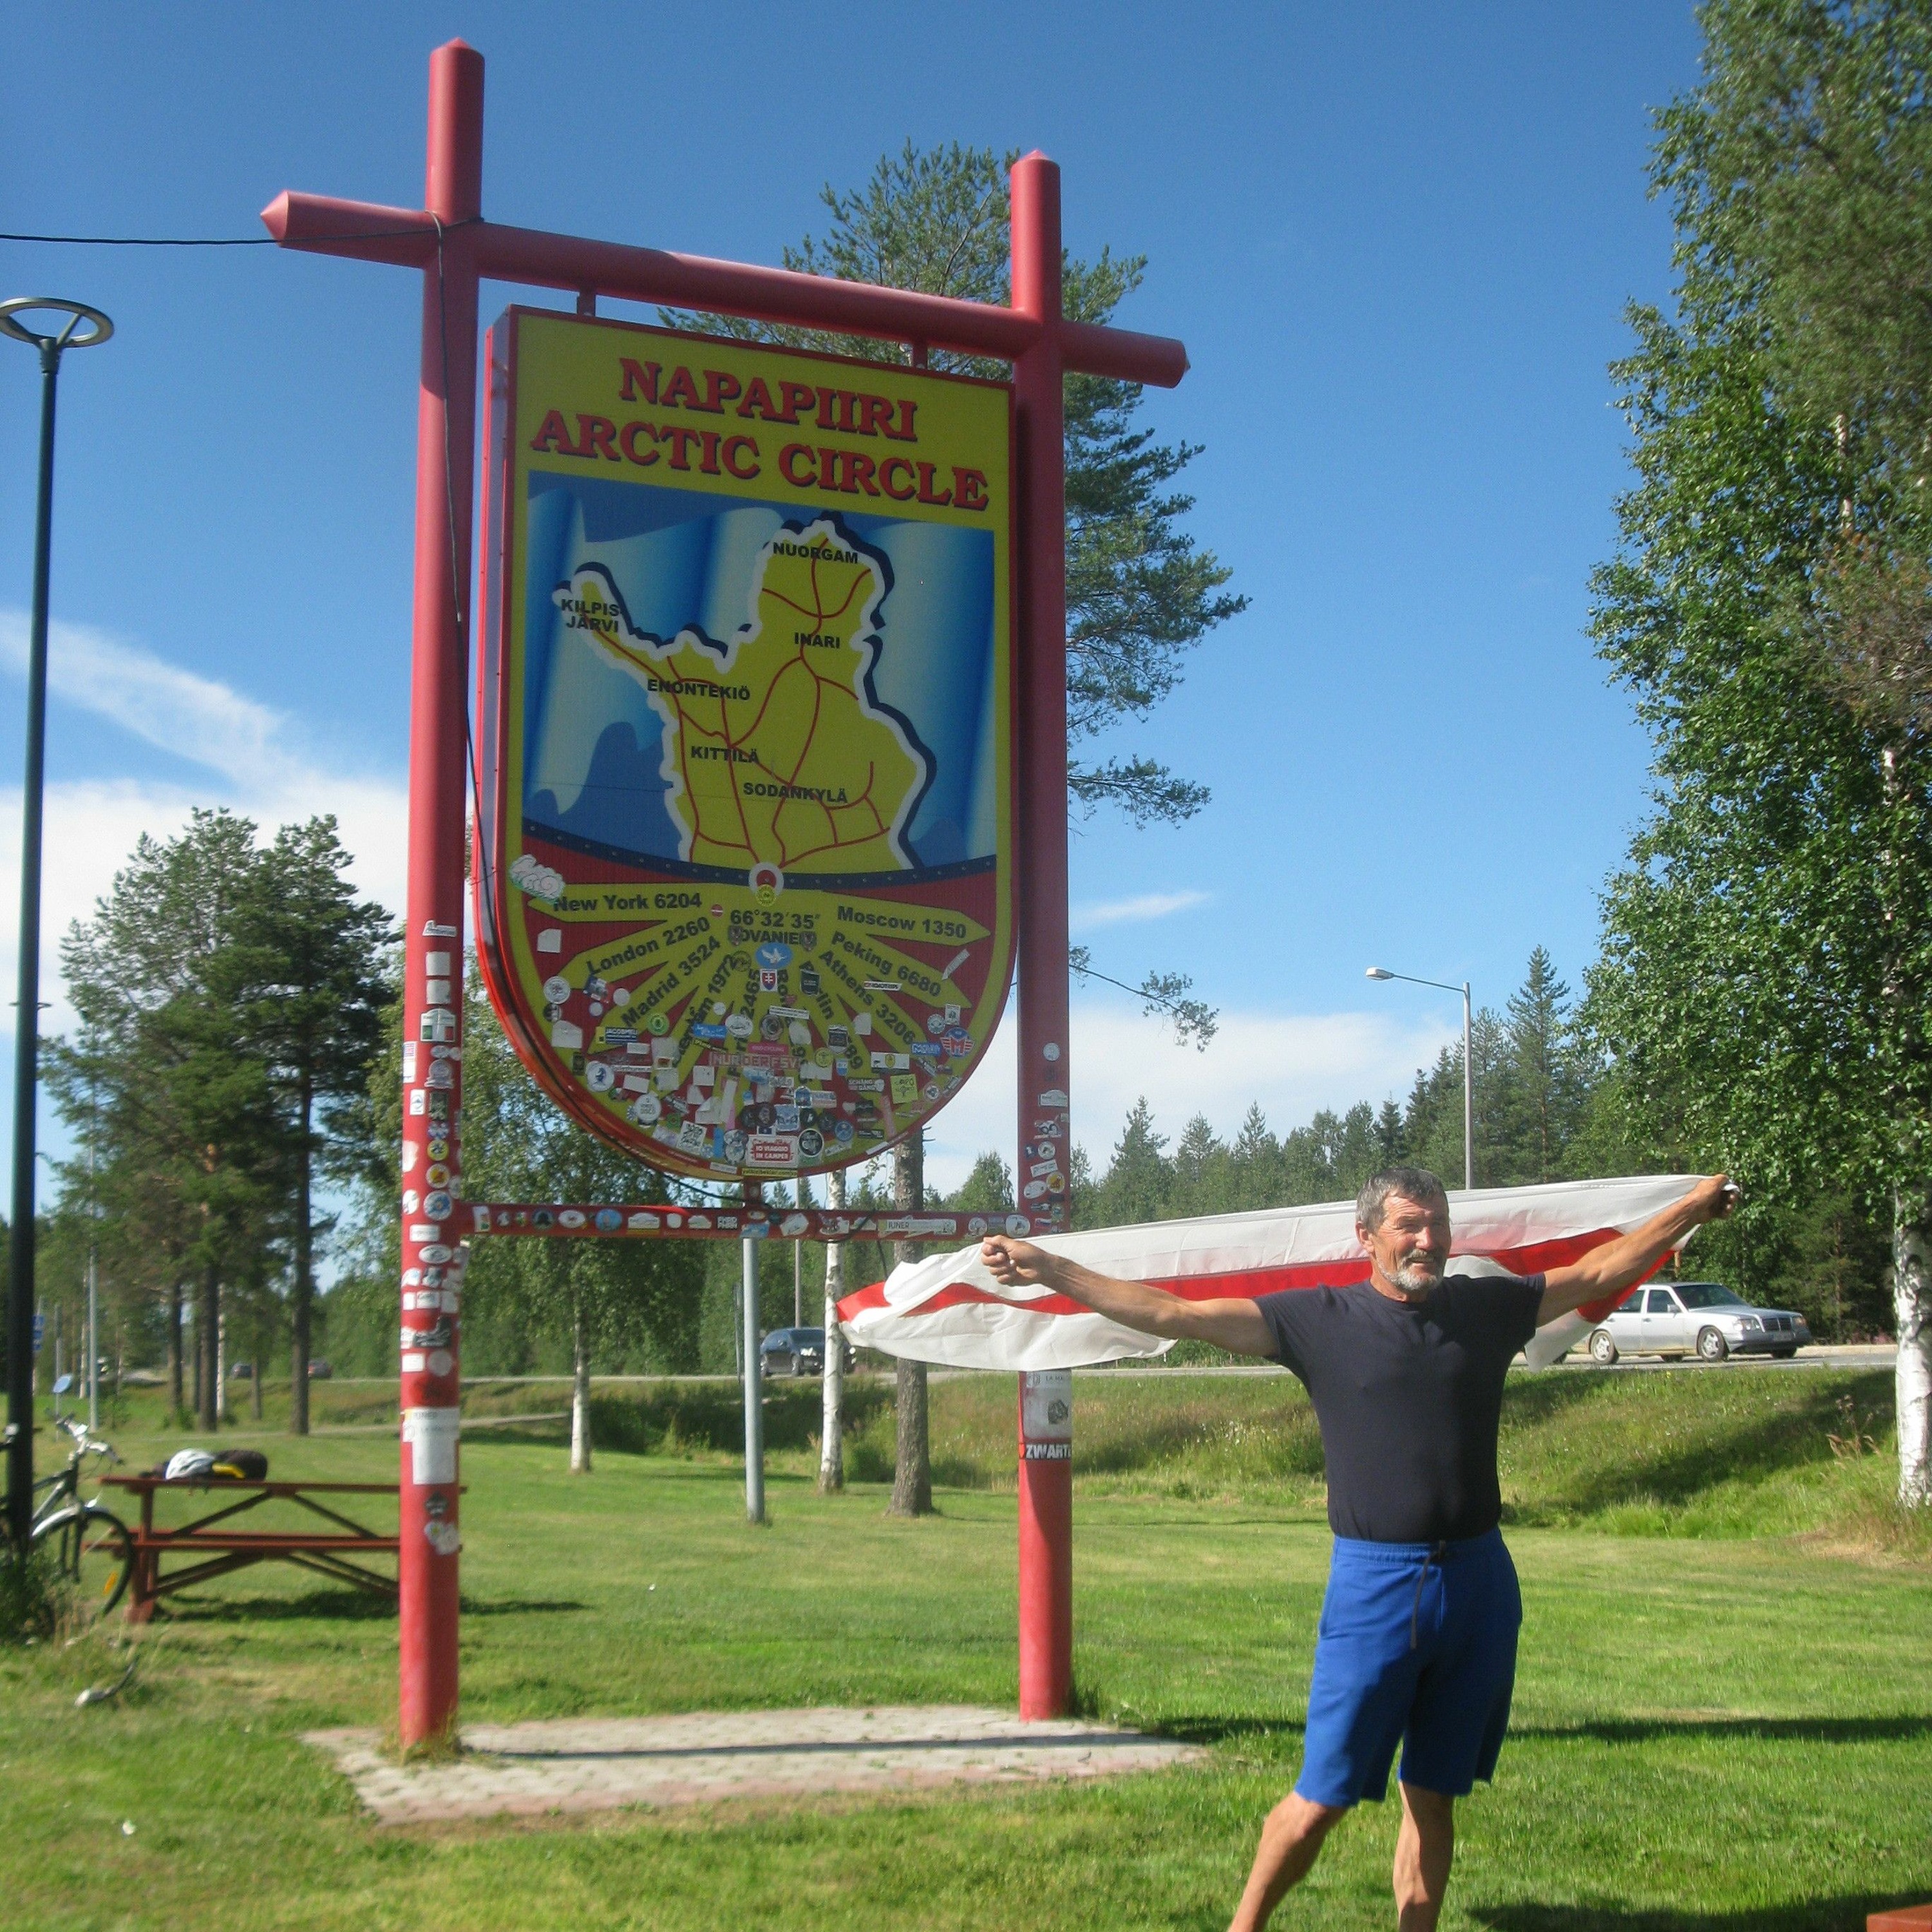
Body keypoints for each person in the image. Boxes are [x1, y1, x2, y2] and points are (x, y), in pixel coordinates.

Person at [981, 1164, 1735, 1932]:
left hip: (1479, 1585)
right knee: (1323, 1797)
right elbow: (1175, 1312)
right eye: (1409, 1225)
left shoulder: (1488, 1307)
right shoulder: (1319, 1320)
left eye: (1438, 1224)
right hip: (1376, 1587)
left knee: (1434, 1795)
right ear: (1366, 1237)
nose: (1428, 1240)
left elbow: (1602, 1269)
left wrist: (1691, 1209)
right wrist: (1052, 1268)